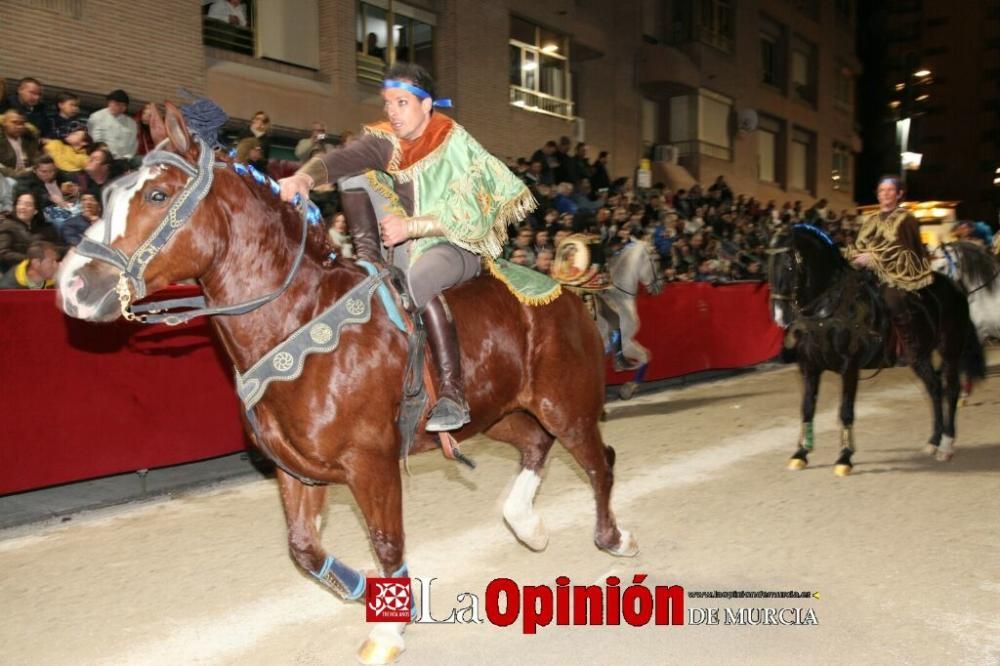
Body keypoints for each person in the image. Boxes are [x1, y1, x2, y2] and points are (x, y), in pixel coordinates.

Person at [279, 62, 535, 432]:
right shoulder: (386, 140)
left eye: (401, 103)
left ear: (426, 104)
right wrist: (305, 176)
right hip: (402, 242)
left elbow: (473, 214)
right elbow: (343, 159)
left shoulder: (456, 144)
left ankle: (452, 393)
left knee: (417, 281)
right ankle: (369, 262)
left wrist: (411, 226)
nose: (391, 112)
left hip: (454, 244)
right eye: (388, 103)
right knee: (354, 169)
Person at [844, 176, 933, 360]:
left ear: (899, 194)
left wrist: (874, 258)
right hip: (865, 270)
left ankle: (910, 343)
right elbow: (860, 243)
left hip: (898, 271)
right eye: (881, 190)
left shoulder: (906, 219)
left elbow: (906, 248)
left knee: (891, 298)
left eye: (890, 190)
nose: (885, 194)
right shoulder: (870, 219)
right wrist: (851, 254)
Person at [87, 90, 138, 161]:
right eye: (114, 103)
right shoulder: (97, 117)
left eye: (121, 105)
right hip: (102, 158)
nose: (115, 106)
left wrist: (127, 157)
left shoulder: (132, 123)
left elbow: (134, 143)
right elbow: (95, 139)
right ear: (109, 103)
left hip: (124, 160)